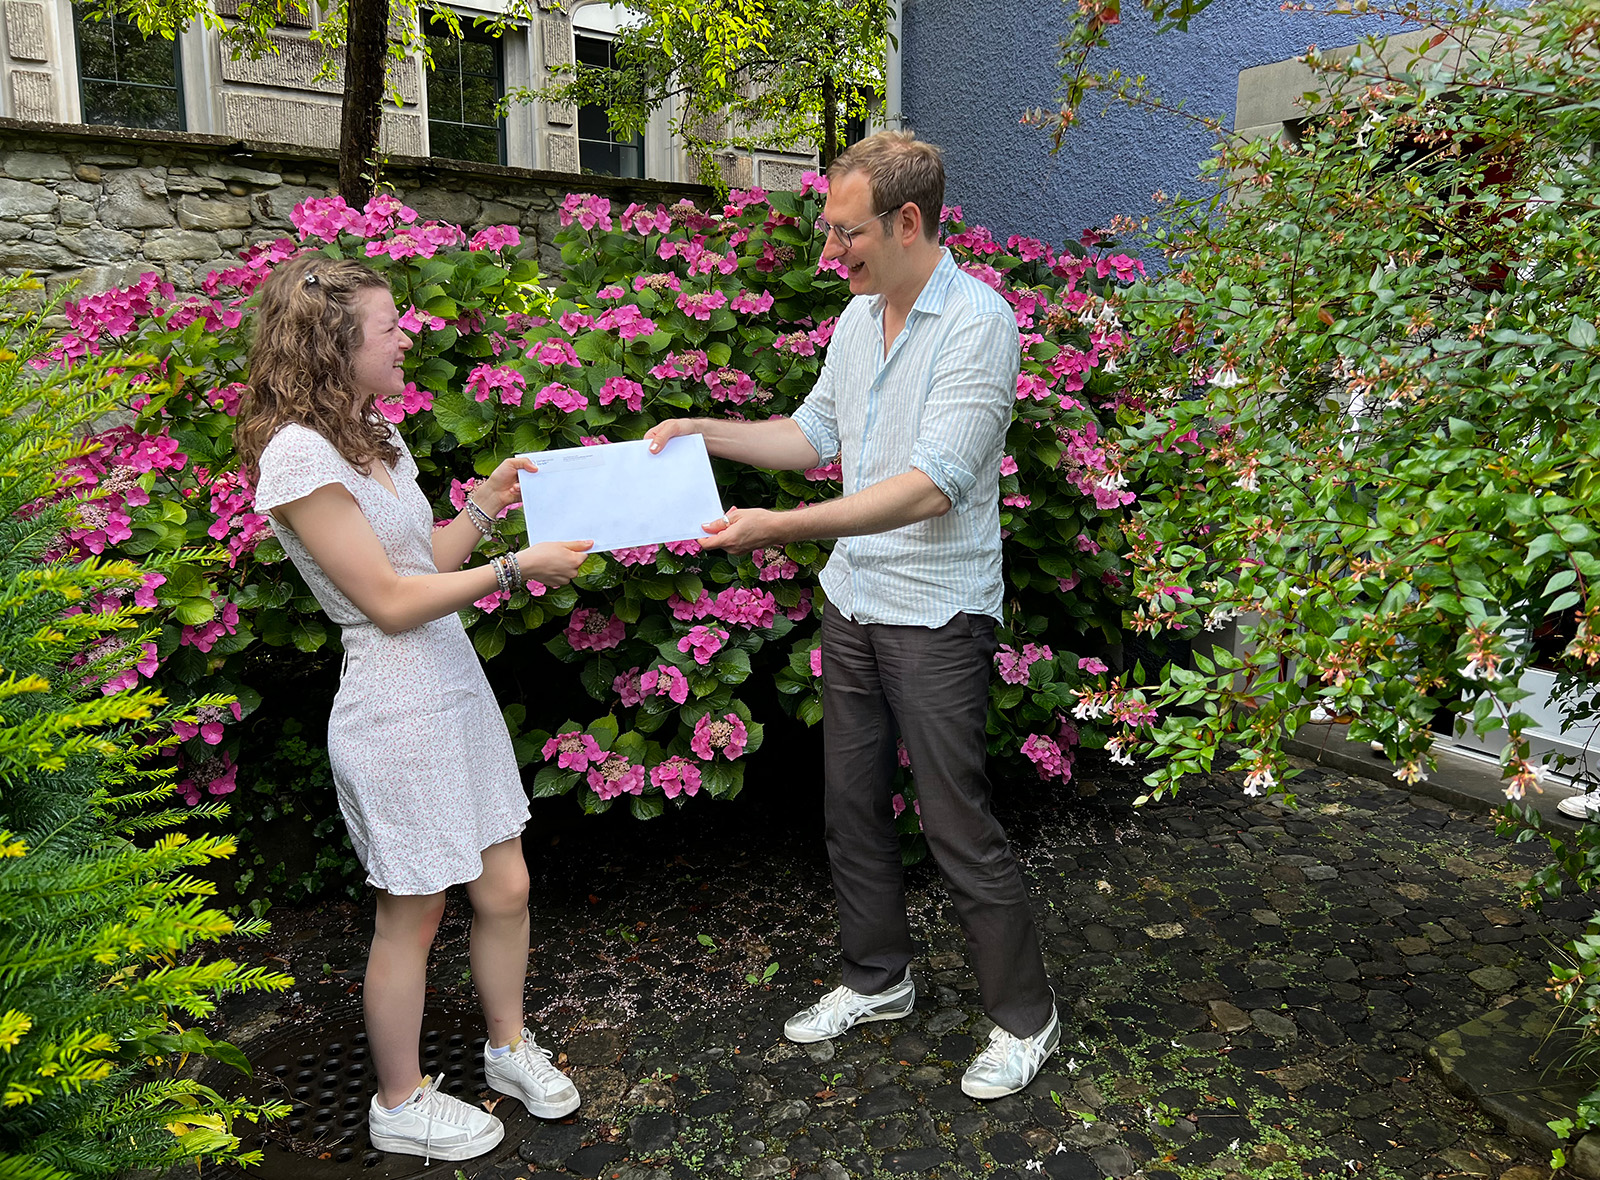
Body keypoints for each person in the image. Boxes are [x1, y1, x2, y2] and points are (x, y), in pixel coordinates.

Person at [644, 131, 1059, 1099]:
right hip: (854, 599)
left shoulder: (976, 322)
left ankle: (1023, 1018)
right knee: (849, 811)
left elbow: (932, 486)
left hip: (935, 611)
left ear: (907, 222)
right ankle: (878, 979)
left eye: (845, 234)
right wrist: (701, 429)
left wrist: (779, 528)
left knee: (957, 825)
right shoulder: (857, 318)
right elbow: (811, 434)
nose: (830, 253)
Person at [236, 255, 593, 1161]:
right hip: (392, 703)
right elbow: (388, 601)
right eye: (390, 327)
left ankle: (507, 1049)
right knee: (415, 911)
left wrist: (484, 506)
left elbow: (426, 562)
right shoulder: (297, 453)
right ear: (332, 342)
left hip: (450, 685)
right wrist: (520, 568)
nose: (408, 338)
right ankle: (399, 1101)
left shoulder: (374, 436)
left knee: (505, 884)